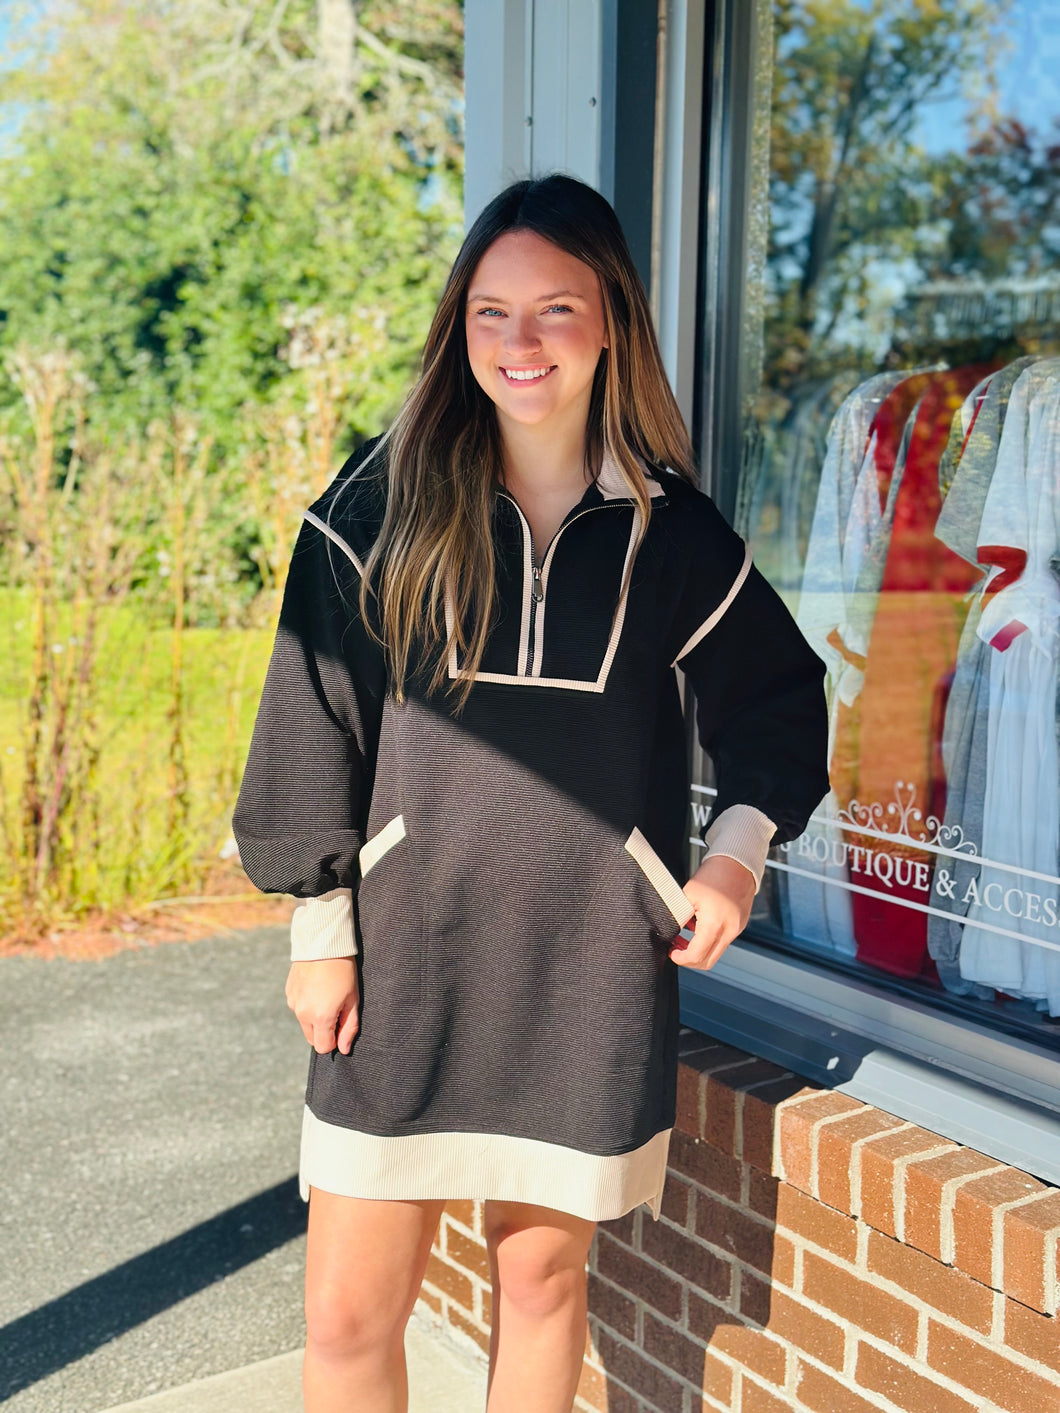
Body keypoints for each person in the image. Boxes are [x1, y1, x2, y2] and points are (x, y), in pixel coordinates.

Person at [232, 173, 828, 1413]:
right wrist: (317, 930)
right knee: (347, 1313)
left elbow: (777, 701)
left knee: (545, 1293)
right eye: (491, 312)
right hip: (405, 963)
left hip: (585, 971)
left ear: (609, 319)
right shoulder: (376, 504)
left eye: (554, 308)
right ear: (460, 328)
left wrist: (734, 855)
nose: (520, 343)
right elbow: (309, 715)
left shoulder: (677, 536)